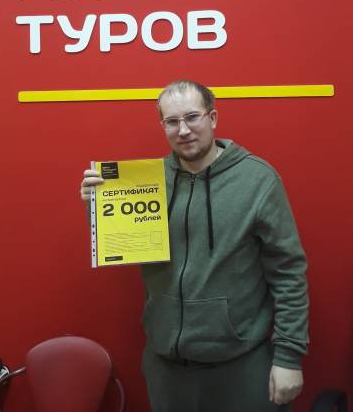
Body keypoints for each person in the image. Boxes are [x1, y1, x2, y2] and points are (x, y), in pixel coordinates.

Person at [81, 79, 308, 412]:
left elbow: (289, 273)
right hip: (166, 368)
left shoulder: (258, 180)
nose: (183, 130)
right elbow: (123, 243)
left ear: (212, 118)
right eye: (172, 121)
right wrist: (98, 206)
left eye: (192, 117)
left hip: (241, 366)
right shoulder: (147, 180)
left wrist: (289, 355)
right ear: (163, 126)